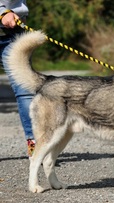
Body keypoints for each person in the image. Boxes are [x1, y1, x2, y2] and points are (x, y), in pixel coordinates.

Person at [0, 1, 35, 157]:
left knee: (25, 89)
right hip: (8, 19)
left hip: (14, 30)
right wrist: (2, 12)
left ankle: (35, 145)